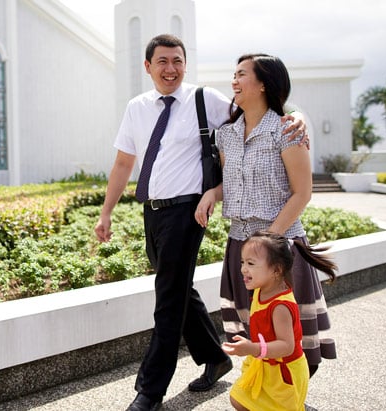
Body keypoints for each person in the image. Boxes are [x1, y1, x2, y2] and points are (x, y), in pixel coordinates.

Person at [94, 36, 308, 411]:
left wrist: (297, 115)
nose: (170, 68)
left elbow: (259, 107)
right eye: (162, 61)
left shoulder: (204, 100)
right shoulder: (137, 108)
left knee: (167, 298)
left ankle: (150, 390)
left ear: (185, 64)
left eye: (177, 60)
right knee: (176, 287)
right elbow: (125, 164)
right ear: (148, 67)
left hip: (189, 210)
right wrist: (106, 211)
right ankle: (215, 355)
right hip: (153, 210)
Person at [195, 53, 336, 379]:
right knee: (256, 332)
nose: (234, 81)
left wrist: (267, 242)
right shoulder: (227, 135)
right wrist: (211, 194)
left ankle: (289, 394)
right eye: (234, 74)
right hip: (240, 247)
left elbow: (303, 192)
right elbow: (233, 186)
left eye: (242, 74)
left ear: (262, 84)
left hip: (279, 246)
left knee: (292, 338)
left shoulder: (286, 129)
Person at [221, 230, 337, 411]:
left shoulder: (280, 306)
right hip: (266, 364)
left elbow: (286, 346)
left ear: (276, 270)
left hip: (283, 375)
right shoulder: (261, 289)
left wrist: (252, 348)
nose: (243, 268)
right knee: (239, 399)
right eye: (242, 262)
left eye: (251, 263)